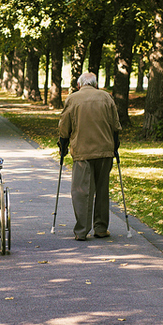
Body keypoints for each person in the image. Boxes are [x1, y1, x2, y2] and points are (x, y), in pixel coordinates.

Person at [58, 72, 122, 241]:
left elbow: (64, 126)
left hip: (82, 152)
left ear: (79, 85)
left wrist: (63, 145)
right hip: (105, 150)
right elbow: (116, 125)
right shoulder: (107, 98)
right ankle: (101, 228)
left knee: (81, 191)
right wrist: (115, 147)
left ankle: (81, 231)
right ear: (95, 85)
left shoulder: (73, 98)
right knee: (102, 190)